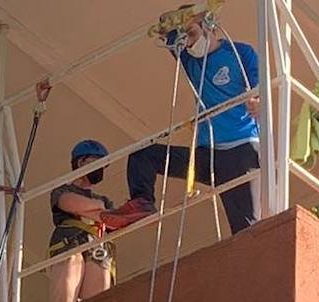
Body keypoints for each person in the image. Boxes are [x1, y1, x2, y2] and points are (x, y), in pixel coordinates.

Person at [107, 5, 261, 236]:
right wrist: (180, 21)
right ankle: (142, 203)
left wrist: (257, 100)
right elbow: (163, 25)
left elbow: (259, 87)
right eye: (183, 37)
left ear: (209, 26)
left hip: (240, 150)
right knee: (142, 155)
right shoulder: (190, 59)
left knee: (247, 229)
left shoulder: (240, 53)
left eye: (191, 33)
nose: (187, 42)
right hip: (205, 154)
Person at [47, 138, 117, 302]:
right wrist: (99, 209)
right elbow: (69, 203)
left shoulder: (104, 200)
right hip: (70, 242)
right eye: (97, 162)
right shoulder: (63, 190)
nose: (101, 168)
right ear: (81, 162)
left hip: (97, 247)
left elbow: (113, 220)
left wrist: (96, 210)